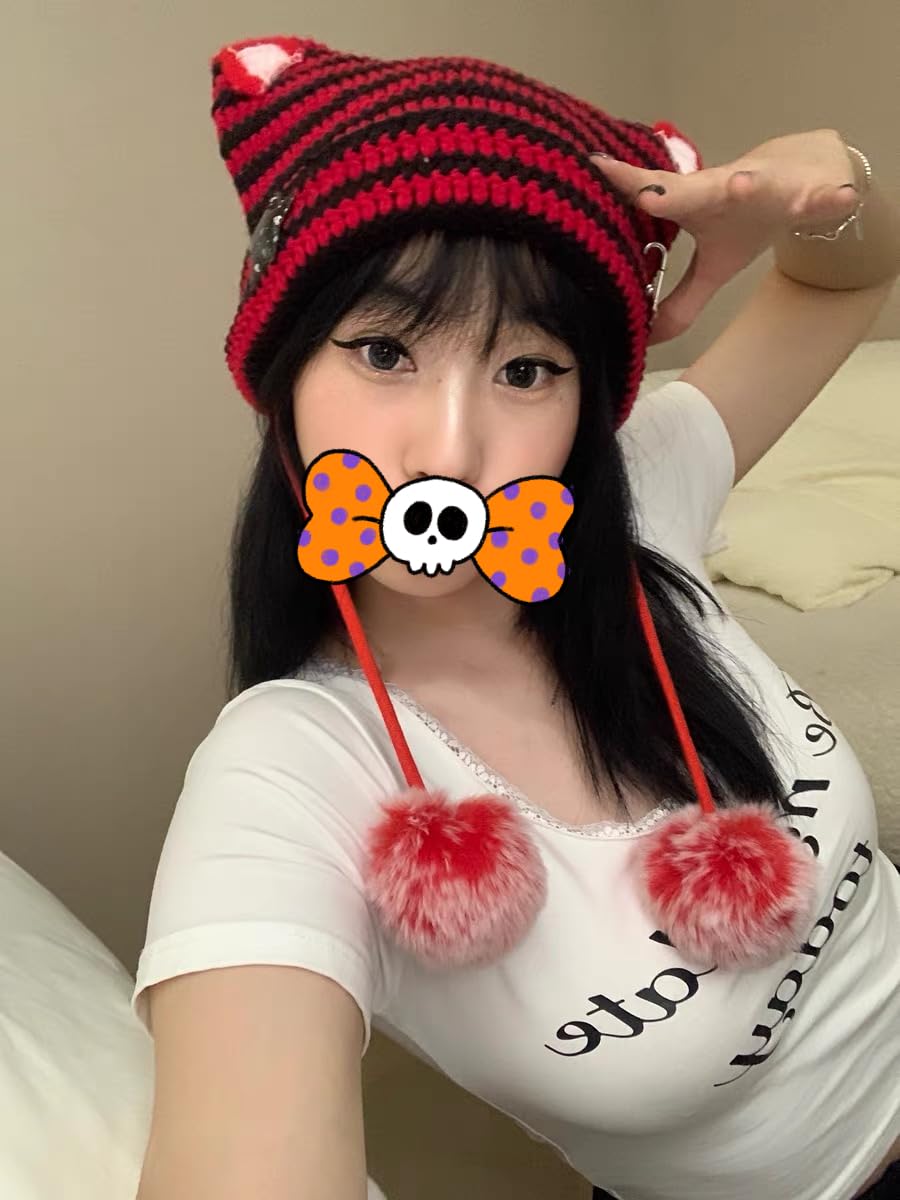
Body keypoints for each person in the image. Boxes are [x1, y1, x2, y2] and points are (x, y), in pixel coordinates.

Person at [131, 33, 900, 1200]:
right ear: (282, 374)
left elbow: (846, 277)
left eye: (527, 369)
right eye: (384, 350)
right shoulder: (285, 774)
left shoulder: (640, 498)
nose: (451, 454)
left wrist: (830, 185)